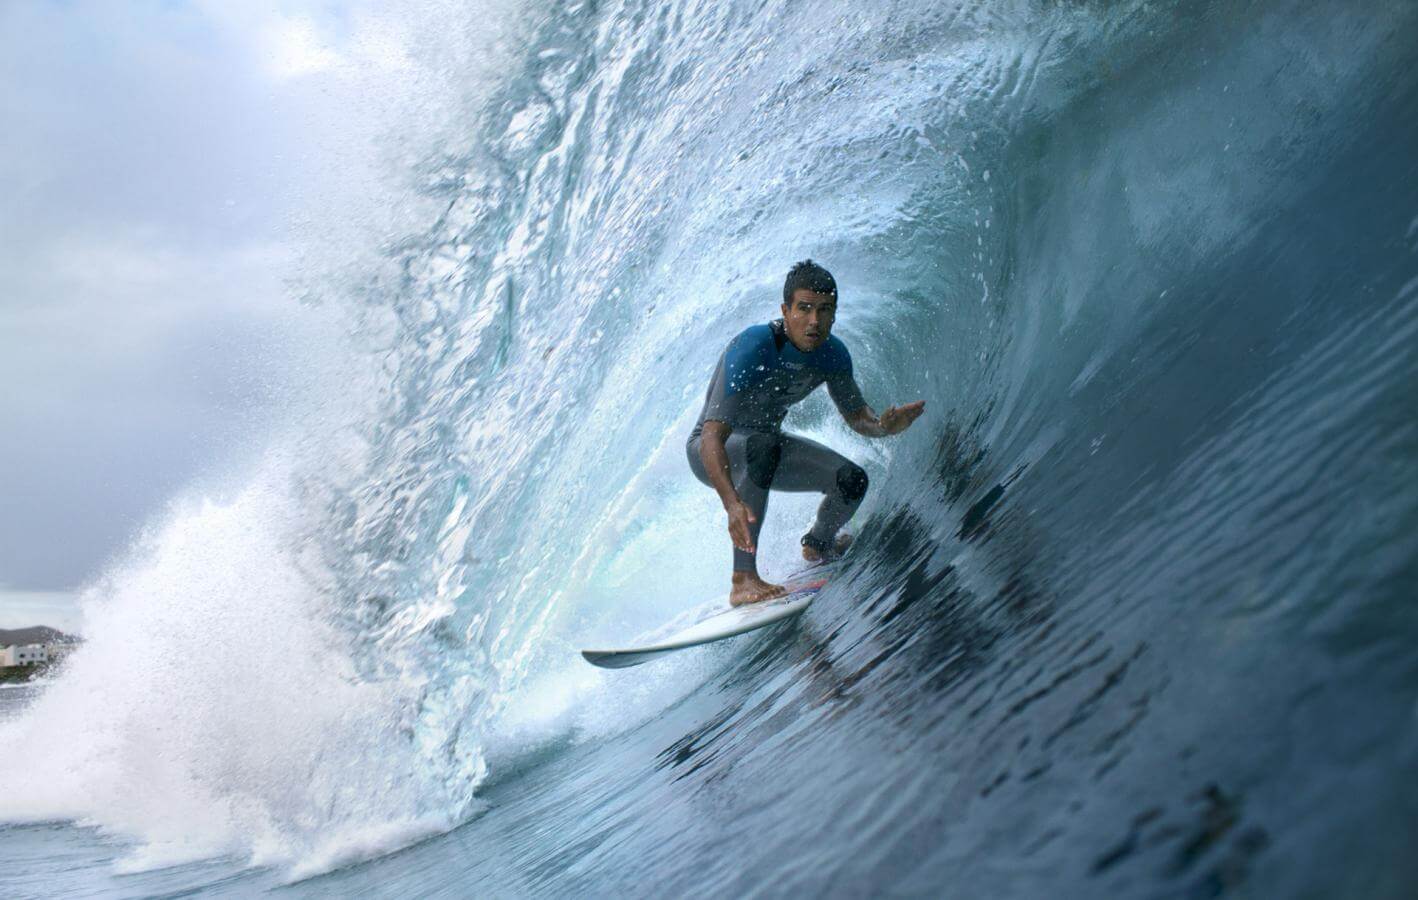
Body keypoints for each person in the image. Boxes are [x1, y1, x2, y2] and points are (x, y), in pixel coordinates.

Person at [686, 260, 926, 605]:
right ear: (786, 310)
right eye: (804, 309)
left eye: (824, 310)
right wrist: (732, 504)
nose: (814, 321)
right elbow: (711, 437)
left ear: (834, 314)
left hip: (765, 449)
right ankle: (743, 578)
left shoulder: (833, 355)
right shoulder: (754, 346)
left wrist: (883, 427)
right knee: (763, 446)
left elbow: (859, 418)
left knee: (852, 480)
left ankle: (819, 543)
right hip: (711, 451)